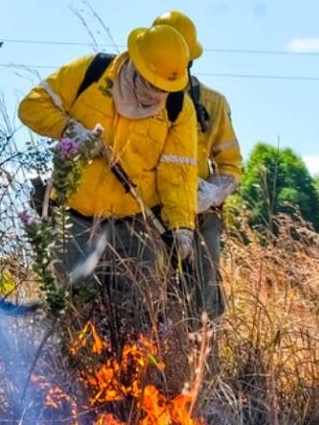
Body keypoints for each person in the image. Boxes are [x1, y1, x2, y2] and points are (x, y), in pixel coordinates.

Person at [18, 24, 199, 340]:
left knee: (137, 319)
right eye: (152, 85)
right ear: (136, 66)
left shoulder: (178, 109)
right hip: (73, 219)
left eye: (164, 89)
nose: (157, 94)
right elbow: (31, 106)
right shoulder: (92, 71)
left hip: (134, 228)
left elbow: (179, 173)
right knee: (70, 312)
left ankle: (126, 380)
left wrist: (182, 226)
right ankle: (65, 375)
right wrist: (71, 131)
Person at [152, 11, 242, 322]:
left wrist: (213, 193)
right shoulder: (134, 100)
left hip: (202, 217)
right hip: (149, 214)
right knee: (149, 298)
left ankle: (206, 359)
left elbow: (231, 166)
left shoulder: (213, 104)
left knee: (204, 300)